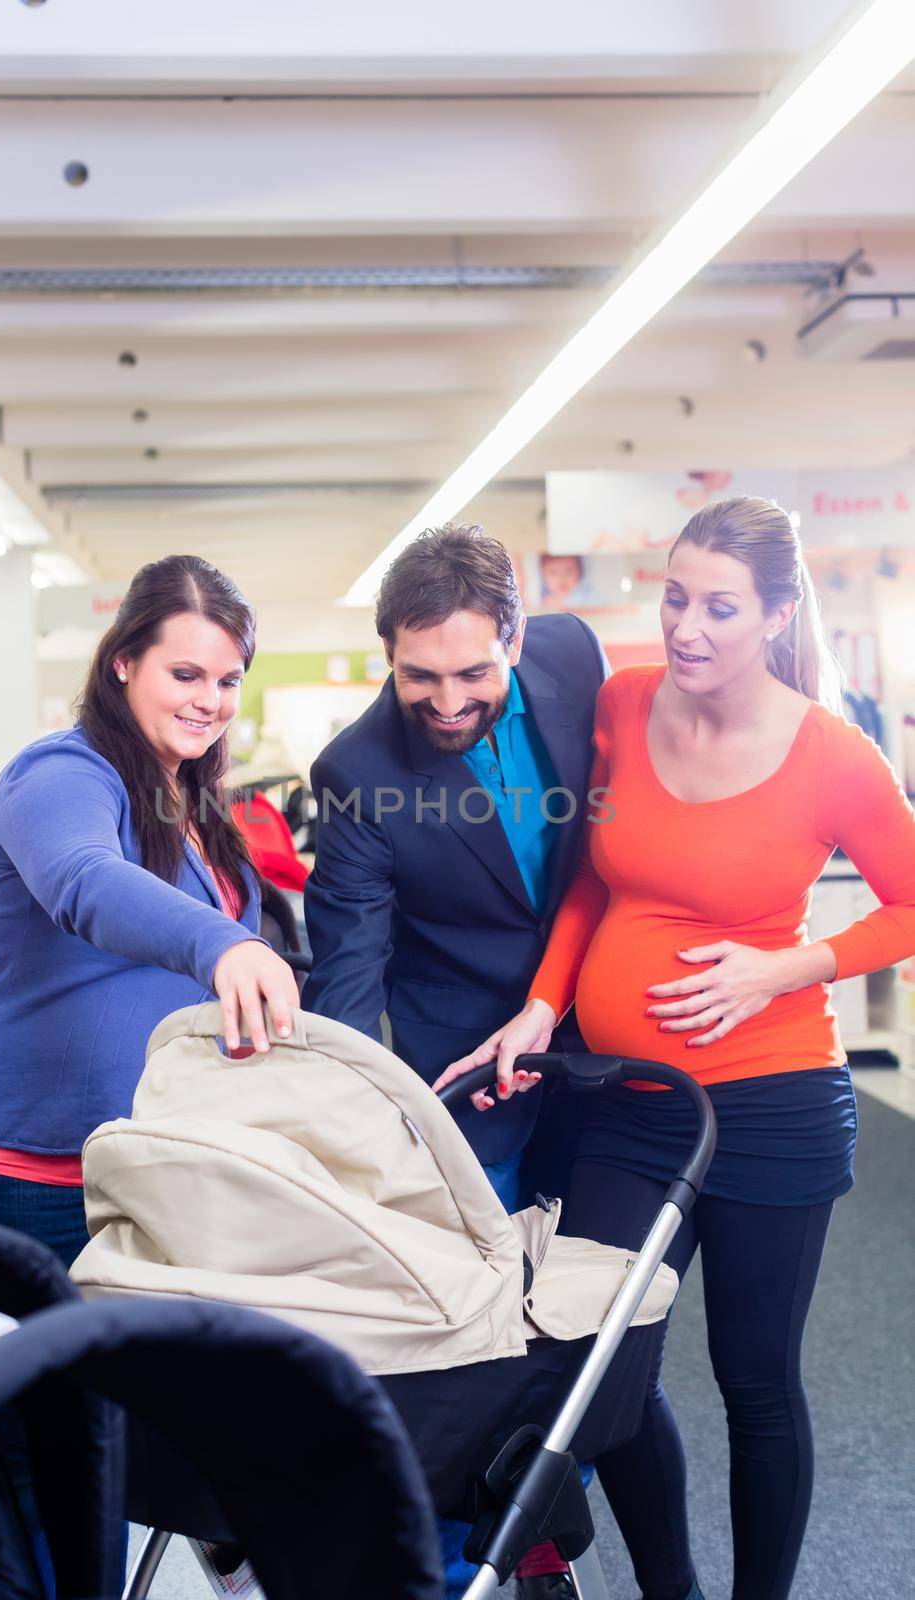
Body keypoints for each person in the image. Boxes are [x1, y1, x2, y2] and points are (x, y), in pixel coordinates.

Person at [435, 497, 915, 1600]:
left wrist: (783, 966)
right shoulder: (622, 701)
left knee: (752, 1379)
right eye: (673, 596)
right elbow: (597, 875)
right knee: (599, 1367)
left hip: (771, 1097)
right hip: (633, 1099)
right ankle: (672, 1591)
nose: (685, 625)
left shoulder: (829, 752)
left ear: (775, 613)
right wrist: (544, 1002)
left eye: (717, 606)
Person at [302, 523, 606, 1598]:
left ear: (517, 641)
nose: (443, 699)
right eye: (416, 674)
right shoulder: (354, 773)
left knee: (603, 1307)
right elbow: (343, 966)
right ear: (385, 651)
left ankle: (541, 1498)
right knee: (466, 1317)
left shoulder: (574, 656)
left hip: (602, 1030)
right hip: (467, 1066)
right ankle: (478, 1544)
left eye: (472, 671)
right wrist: (351, 1116)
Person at [0, 555, 299, 1269]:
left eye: (227, 679)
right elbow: (83, 880)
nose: (209, 699)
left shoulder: (194, 798)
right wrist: (223, 946)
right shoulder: (59, 772)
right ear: (122, 663)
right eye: (185, 675)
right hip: (17, 1165)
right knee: (32, 1380)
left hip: (144, 1154)